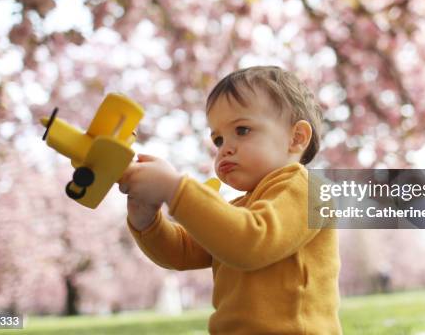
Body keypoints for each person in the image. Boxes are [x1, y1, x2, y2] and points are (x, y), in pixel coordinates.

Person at [118, 66, 341, 334]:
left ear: (296, 138)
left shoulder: (309, 191)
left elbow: (252, 241)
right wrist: (147, 220)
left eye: (243, 130)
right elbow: (182, 252)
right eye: (218, 139)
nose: (225, 149)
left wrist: (175, 188)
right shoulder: (240, 209)